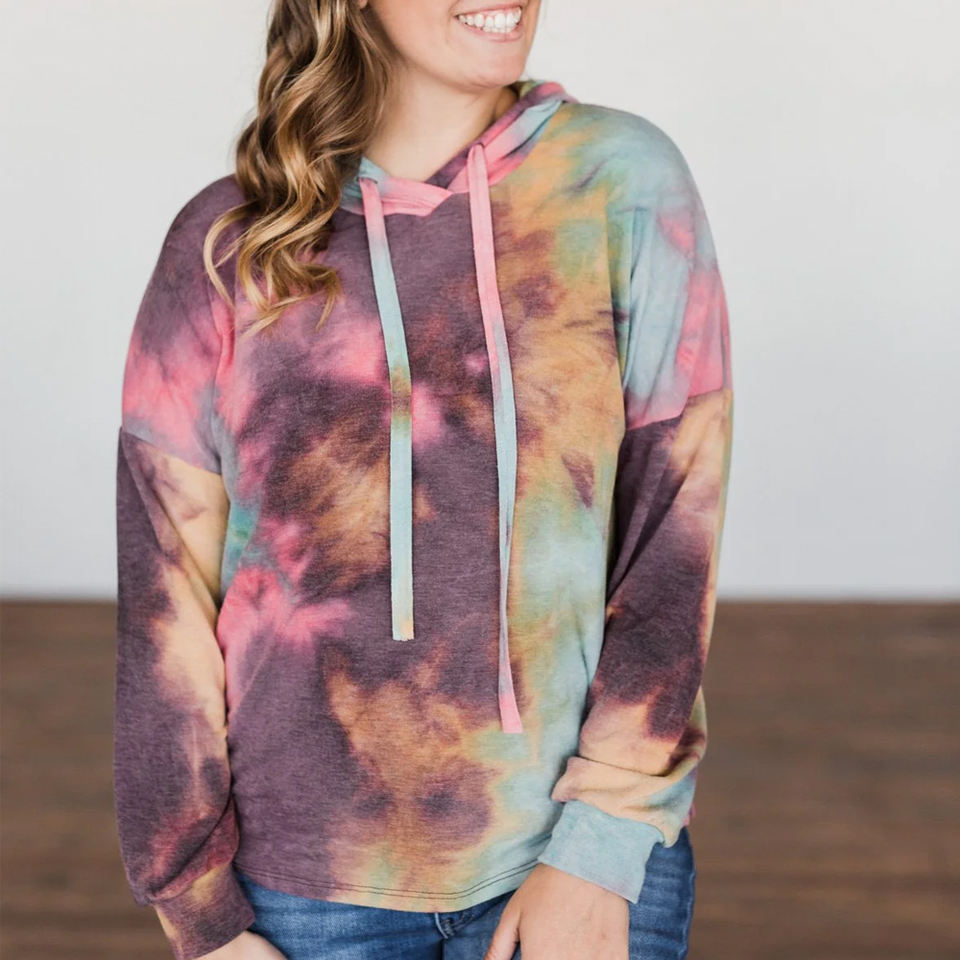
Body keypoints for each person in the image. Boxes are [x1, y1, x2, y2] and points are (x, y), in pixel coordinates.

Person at [112, 1, 734, 958]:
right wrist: (199, 912)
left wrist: (600, 843)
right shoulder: (229, 240)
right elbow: (165, 595)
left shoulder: (619, 183)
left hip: (571, 857)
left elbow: (671, 541)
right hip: (300, 890)